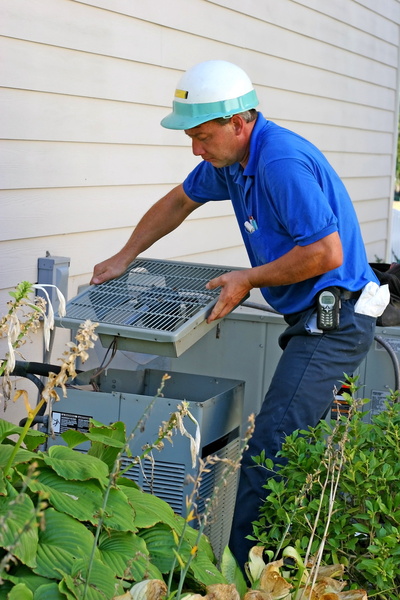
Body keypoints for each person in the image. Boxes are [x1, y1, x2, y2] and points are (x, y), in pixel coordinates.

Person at [91, 60, 388, 570]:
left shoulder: (279, 162)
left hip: (334, 323)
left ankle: (241, 576)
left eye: (203, 137)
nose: (195, 149)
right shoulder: (233, 161)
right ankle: (287, 557)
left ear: (239, 123)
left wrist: (246, 278)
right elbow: (178, 202)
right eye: (192, 138)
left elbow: (325, 254)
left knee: (270, 447)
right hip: (309, 319)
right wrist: (126, 255)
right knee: (290, 445)